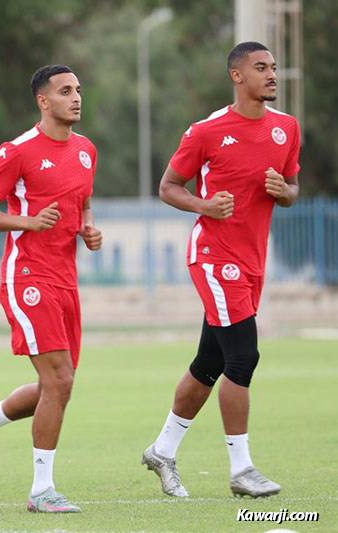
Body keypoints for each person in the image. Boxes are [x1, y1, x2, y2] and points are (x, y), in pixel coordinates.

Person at [142, 41, 299, 499]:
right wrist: (204, 206)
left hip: (253, 260)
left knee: (209, 362)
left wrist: (282, 191)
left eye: (273, 67)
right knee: (243, 357)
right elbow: (169, 186)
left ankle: (162, 450)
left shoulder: (286, 128)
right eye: (261, 67)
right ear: (236, 75)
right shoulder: (208, 130)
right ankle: (242, 468)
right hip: (214, 256)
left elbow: (291, 187)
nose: (272, 74)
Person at [0, 65, 102, 513]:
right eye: (65, 91)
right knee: (59, 381)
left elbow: (84, 202)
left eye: (78, 90)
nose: (77, 97)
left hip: (66, 281)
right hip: (28, 278)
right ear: (44, 101)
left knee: (55, 386)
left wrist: (88, 229)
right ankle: (41, 492)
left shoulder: (86, 150)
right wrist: (28, 222)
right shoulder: (15, 152)